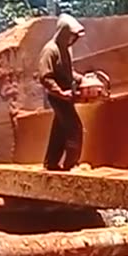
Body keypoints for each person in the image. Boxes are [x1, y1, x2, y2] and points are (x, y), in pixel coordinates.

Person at [37, 14, 87, 171]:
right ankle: (71, 164)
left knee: (59, 129)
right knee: (74, 128)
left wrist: (83, 79)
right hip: (57, 96)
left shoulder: (66, 49)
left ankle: (51, 162)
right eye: (71, 35)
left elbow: (68, 72)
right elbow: (45, 77)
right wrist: (60, 93)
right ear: (63, 32)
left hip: (66, 95)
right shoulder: (50, 50)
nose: (72, 39)